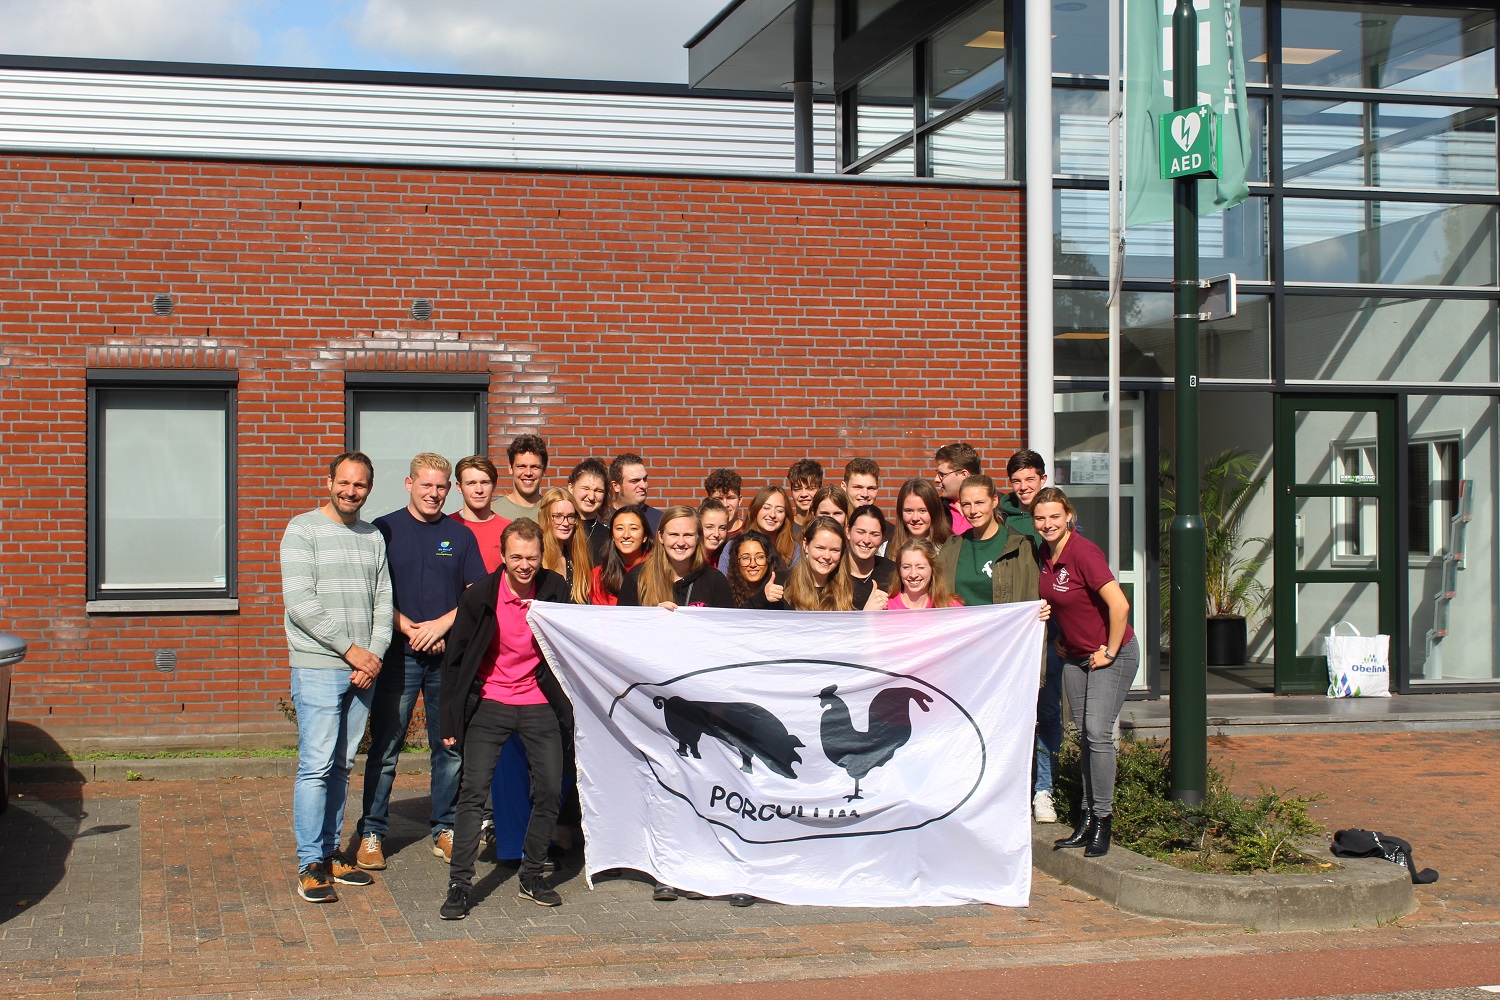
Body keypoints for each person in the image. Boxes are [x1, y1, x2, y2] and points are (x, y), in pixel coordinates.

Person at [356, 453, 486, 871]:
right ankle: (373, 832)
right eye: (426, 485)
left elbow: (474, 595)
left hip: (446, 658)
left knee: (448, 746)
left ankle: (445, 828)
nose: (434, 493)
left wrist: (441, 627)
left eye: (441, 487)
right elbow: (374, 593)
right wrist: (411, 629)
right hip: (398, 655)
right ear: (409, 484)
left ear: (450, 489)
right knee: (387, 746)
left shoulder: (459, 534)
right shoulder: (385, 529)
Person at [437, 518, 572, 919]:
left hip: (538, 702)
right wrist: (449, 722)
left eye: (531, 557)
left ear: (540, 555)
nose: (525, 565)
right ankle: (459, 885)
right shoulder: (479, 596)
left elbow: (577, 635)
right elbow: (455, 661)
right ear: (502, 556)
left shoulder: (554, 589)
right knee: (473, 793)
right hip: (490, 703)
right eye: (516, 557)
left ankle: (532, 874)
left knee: (549, 790)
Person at [279, 452, 393, 904]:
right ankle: (309, 862)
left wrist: (374, 655)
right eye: (344, 483)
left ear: (369, 488)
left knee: (343, 765)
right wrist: (352, 652)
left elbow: (384, 601)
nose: (351, 491)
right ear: (329, 482)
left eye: (360, 485)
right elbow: (300, 602)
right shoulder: (301, 529)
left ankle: (329, 853)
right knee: (316, 766)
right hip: (319, 666)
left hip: (363, 671)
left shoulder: (373, 538)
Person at [1036, 487, 1138, 859]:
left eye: (1054, 516)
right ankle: (1086, 817)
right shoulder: (1046, 555)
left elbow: (1119, 604)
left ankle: (1103, 820)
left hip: (1112, 654)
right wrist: (1061, 637)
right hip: (1076, 657)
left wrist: (1110, 651)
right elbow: (1063, 604)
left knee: (1097, 733)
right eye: (1040, 518)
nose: (1047, 524)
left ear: (1068, 517)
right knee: (1083, 736)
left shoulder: (1083, 552)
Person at [1003, 449, 1066, 824]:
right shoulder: (1001, 518)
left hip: (1051, 632)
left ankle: (1044, 790)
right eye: (1017, 480)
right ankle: (1011, 788)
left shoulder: (1057, 518)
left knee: (1048, 712)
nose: (1024, 487)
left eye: (1031, 479)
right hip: (1015, 632)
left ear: (1043, 479)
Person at [619, 506, 733, 610]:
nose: (681, 542)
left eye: (688, 535)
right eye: (673, 534)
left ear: (698, 538)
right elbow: (624, 627)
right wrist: (652, 616)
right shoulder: (637, 578)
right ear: (661, 537)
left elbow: (725, 627)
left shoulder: (715, 581)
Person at [766, 516, 855, 611]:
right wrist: (763, 598)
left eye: (835, 550)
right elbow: (751, 616)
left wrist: (867, 613)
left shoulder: (851, 590)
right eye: (820, 548)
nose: (827, 556)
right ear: (806, 545)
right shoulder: (779, 584)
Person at [589, 503, 653, 606]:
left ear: (645, 536)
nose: (626, 535)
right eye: (619, 528)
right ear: (612, 536)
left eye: (633, 528)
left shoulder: (658, 571)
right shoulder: (598, 576)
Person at [539, 486, 593, 605]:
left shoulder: (577, 558)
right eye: (557, 516)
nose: (566, 523)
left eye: (570, 516)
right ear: (546, 517)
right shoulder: (537, 559)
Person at [451, 455, 506, 572]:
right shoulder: (445, 526)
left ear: (494, 485)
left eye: (485, 482)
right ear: (459, 487)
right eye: (471, 483)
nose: (479, 490)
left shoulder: (508, 529)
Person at [888, 538, 961, 609]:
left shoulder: (950, 607)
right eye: (906, 567)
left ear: (932, 569)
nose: (913, 574)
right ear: (899, 570)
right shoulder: (886, 607)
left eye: (920, 567)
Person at [885, 478, 954, 555]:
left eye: (922, 511)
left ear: (934, 511)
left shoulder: (951, 548)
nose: (915, 518)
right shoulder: (887, 549)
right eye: (909, 511)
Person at [736, 485, 797, 570]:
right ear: (756, 509)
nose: (772, 515)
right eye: (766, 508)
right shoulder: (733, 546)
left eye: (779, 510)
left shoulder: (794, 550)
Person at [846, 505, 895, 610]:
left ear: (883, 537)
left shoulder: (893, 573)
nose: (867, 540)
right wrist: (866, 614)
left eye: (874, 534)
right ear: (848, 532)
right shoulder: (834, 572)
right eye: (860, 532)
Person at [493, 435, 548, 523]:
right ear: (510, 468)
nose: (528, 473)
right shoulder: (493, 512)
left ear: (544, 470)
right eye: (521, 466)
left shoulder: (554, 511)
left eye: (535, 467)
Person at [726, 530, 784, 609]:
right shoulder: (726, 591)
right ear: (737, 561)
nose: (753, 564)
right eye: (745, 558)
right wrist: (760, 598)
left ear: (769, 559)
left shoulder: (782, 590)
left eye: (760, 557)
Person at [568, 458, 611, 562]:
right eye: (585, 488)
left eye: (598, 491)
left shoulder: (609, 537)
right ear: (571, 488)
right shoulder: (559, 528)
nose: (591, 497)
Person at [933, 442, 981, 534]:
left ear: (963, 475)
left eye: (942, 474)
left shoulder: (997, 508)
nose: (936, 480)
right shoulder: (936, 509)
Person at [608, 452, 661, 531]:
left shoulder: (660, 521)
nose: (643, 486)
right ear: (616, 486)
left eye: (645, 479)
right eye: (634, 481)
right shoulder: (600, 518)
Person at [703, 468, 745, 535]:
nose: (725, 504)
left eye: (730, 498)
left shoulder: (750, 532)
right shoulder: (700, 534)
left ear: (739, 500)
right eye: (719, 499)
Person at [786, 459, 823, 529]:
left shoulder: (827, 526)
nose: (803, 494)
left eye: (810, 488)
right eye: (797, 489)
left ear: (820, 489)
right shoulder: (785, 527)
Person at [698, 497, 731, 569]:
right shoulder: (688, 559)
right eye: (709, 527)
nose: (716, 534)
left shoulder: (729, 557)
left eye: (722, 528)